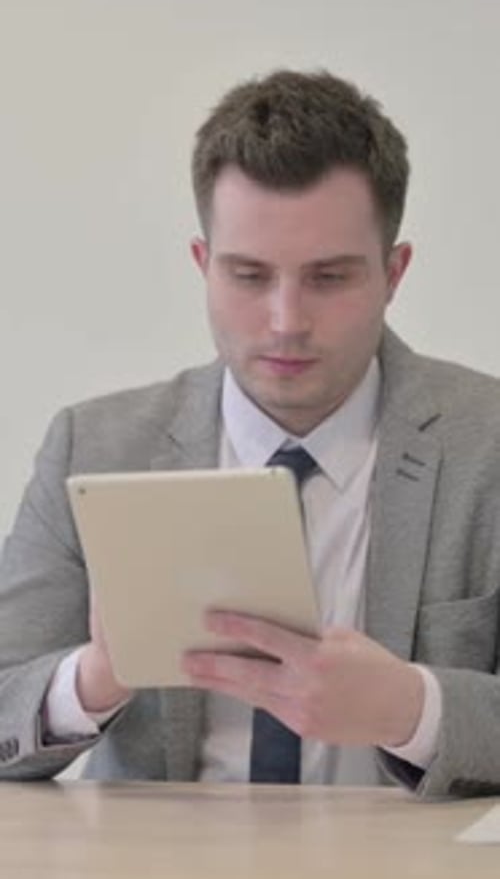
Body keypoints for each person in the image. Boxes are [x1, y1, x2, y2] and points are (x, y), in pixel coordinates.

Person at [1, 69, 500, 798]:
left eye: (329, 277)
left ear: (395, 273)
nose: (286, 320)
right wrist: (95, 678)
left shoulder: (487, 443)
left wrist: (411, 707)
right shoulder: (94, 444)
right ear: (204, 266)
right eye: (248, 275)